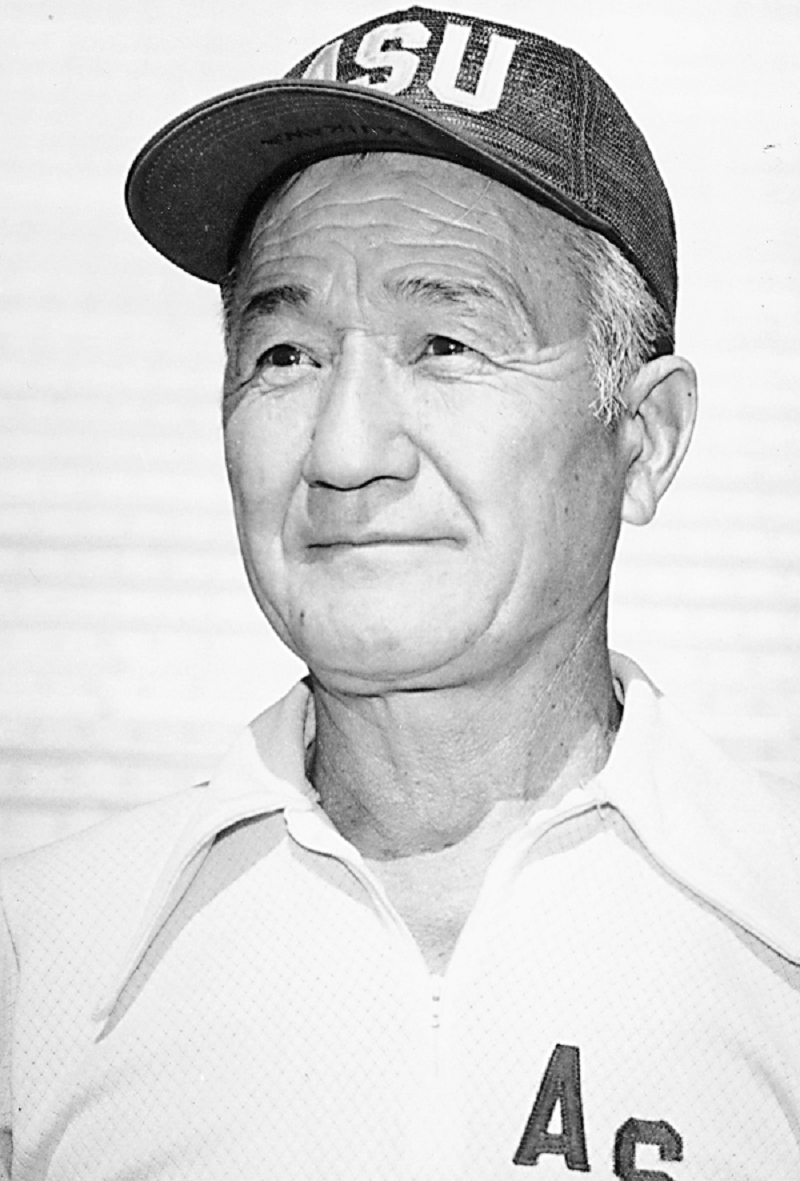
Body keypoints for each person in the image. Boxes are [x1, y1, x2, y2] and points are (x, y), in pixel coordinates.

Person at [2, 6, 799, 1177]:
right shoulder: (46, 958)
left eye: (445, 343)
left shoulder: (772, 938)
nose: (343, 445)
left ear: (642, 438)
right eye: (287, 356)